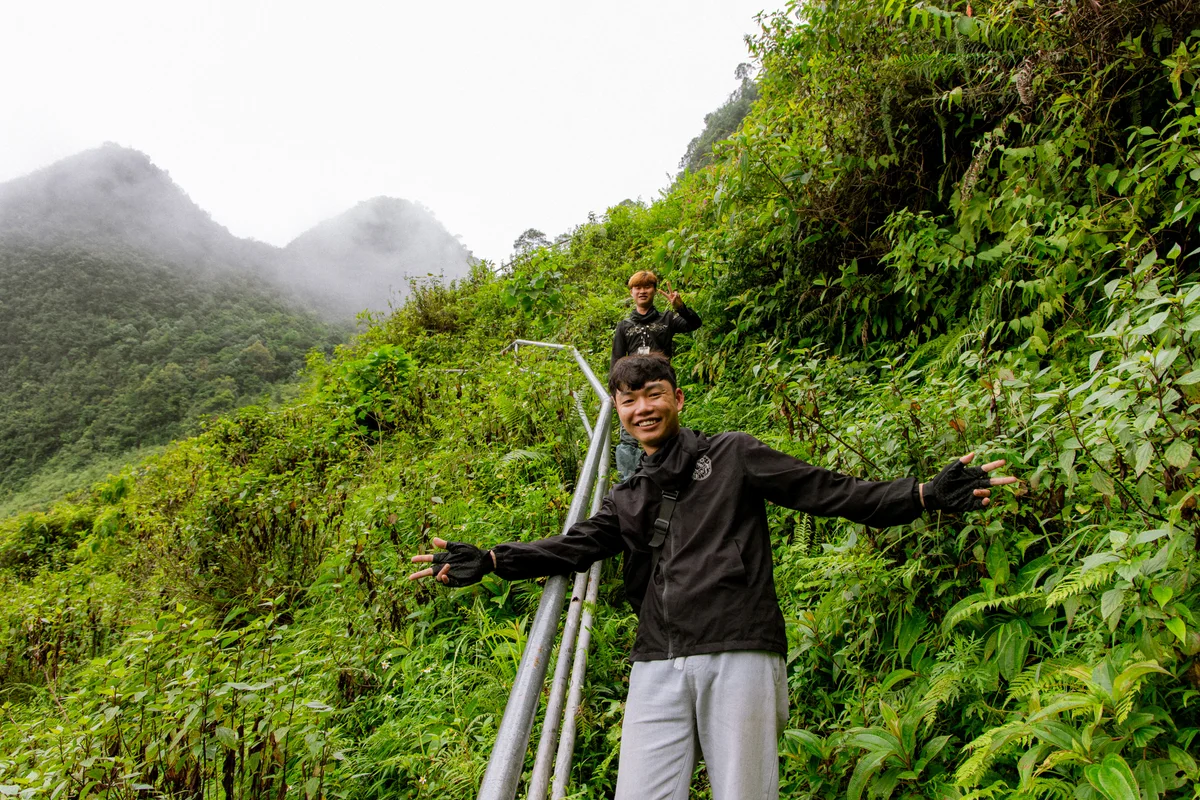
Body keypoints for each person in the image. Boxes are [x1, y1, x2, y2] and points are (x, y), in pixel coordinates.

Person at [409, 354, 1017, 800]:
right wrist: (492, 560)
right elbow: (575, 547)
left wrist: (923, 494)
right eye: (627, 400)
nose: (641, 408)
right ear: (618, 413)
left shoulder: (732, 455)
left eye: (652, 394)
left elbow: (829, 492)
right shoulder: (629, 494)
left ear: (676, 397)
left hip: (738, 647)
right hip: (656, 660)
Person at [611, 270, 701, 481]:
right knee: (630, 438)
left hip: (660, 387)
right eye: (638, 288)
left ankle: (669, 479)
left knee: (666, 430)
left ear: (653, 290)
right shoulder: (624, 326)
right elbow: (616, 360)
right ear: (631, 292)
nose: (642, 291)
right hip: (633, 389)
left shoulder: (667, 319)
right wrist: (615, 393)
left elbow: (694, 324)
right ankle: (631, 483)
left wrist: (681, 308)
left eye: (647, 287)